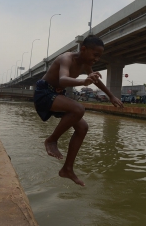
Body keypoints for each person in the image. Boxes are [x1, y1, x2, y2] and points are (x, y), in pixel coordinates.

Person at [33, 35, 123, 186]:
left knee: (83, 127)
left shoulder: (85, 65)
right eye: (95, 55)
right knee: (78, 109)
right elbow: (63, 80)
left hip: (56, 94)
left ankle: (67, 169)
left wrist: (111, 96)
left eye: (99, 56)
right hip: (44, 93)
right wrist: (84, 80)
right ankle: (51, 140)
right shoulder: (66, 58)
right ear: (83, 49)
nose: (97, 59)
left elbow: (97, 81)